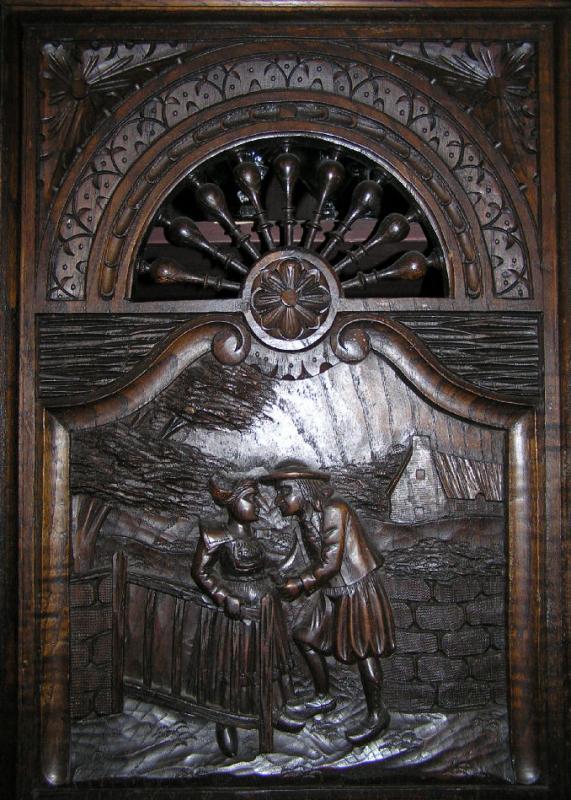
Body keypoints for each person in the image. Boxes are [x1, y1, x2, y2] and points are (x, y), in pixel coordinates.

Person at [262, 460, 395, 746]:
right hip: (332, 590)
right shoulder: (306, 517)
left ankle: (377, 713)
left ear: (303, 489)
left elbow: (330, 562)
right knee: (305, 637)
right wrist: (279, 572)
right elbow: (302, 554)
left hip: (355, 589)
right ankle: (323, 696)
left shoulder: (335, 510)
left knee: (364, 650)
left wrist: (299, 584)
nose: (278, 500)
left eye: (284, 491)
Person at [190, 476, 302, 758]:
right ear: (232, 503)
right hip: (237, 614)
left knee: (269, 660)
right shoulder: (217, 536)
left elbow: (261, 566)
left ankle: (273, 709)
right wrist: (224, 597)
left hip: (266, 608)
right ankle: (225, 719)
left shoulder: (253, 537)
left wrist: (275, 575)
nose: (259, 504)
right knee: (233, 664)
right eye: (251, 499)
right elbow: (200, 571)